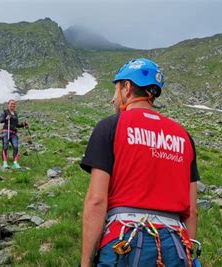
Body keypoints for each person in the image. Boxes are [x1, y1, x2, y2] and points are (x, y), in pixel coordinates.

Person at [80, 58, 200, 266]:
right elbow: (192, 210)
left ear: (126, 88)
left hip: (126, 242)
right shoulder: (183, 136)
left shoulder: (110, 127)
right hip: (175, 246)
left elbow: (96, 201)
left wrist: (85, 262)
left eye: (115, 90)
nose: (112, 100)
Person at [0, 99, 27, 169]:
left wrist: (23, 125)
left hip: (13, 133)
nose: (13, 105)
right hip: (6, 131)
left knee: (16, 147)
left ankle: (15, 163)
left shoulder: (15, 114)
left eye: (14, 104)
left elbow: (16, 125)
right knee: (5, 147)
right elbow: (1, 120)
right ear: (8, 104)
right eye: (11, 104)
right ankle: (5, 162)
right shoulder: (5, 112)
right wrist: (6, 118)